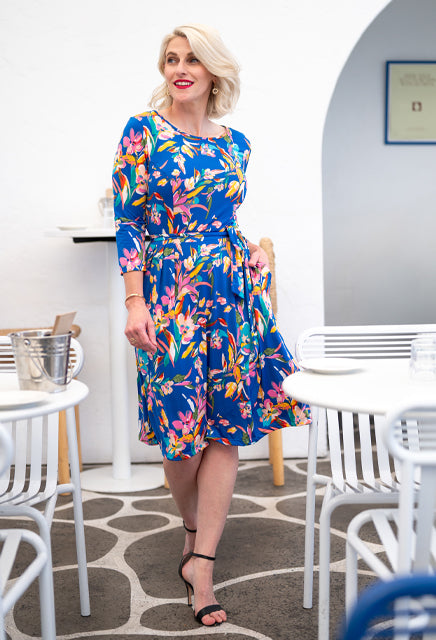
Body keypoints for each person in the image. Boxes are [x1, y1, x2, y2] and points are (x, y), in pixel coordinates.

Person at [111, 23, 307, 628]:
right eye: (171, 59)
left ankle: (202, 564)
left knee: (226, 427)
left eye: (192, 59)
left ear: (214, 70)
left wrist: (255, 253)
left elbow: (224, 221)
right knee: (180, 434)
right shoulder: (142, 131)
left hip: (231, 294)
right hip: (169, 295)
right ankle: (194, 525)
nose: (180, 68)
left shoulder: (235, 144)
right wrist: (135, 301)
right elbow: (129, 223)